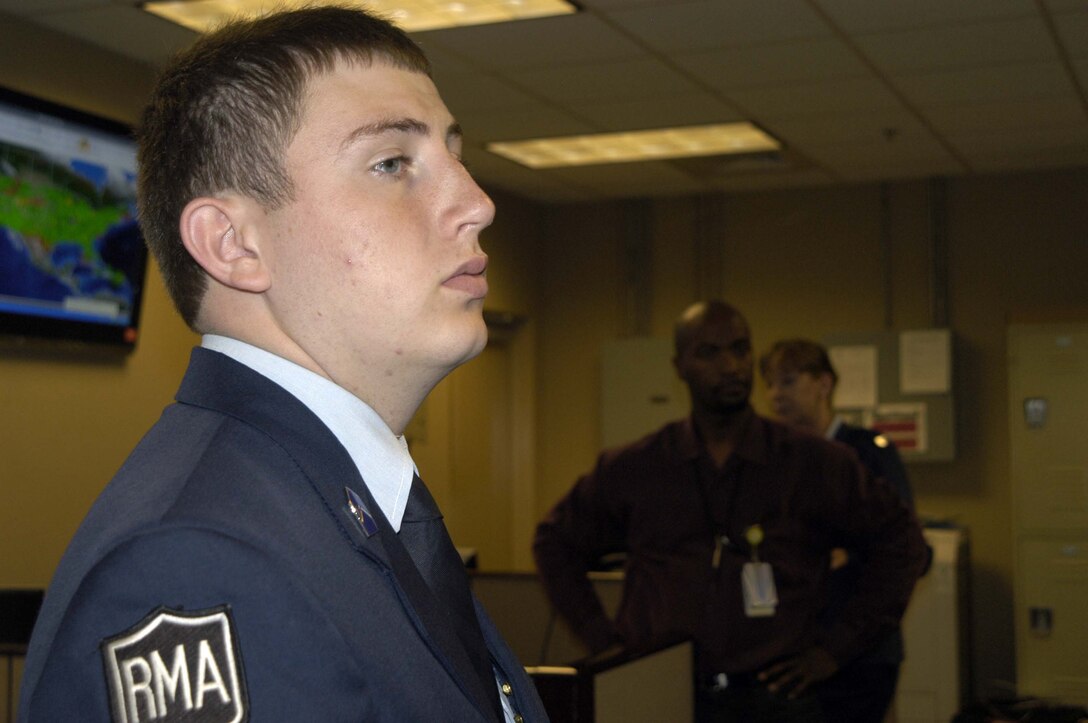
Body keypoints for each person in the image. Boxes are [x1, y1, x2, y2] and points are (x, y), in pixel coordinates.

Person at [18, 7, 547, 722]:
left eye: (456, 155)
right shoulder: (197, 562)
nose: (477, 202)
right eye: (392, 163)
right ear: (234, 243)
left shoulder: (332, 499)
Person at [533, 300, 926, 723]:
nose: (731, 366)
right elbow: (555, 542)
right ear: (679, 365)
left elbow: (902, 542)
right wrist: (602, 639)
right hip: (660, 691)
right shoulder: (638, 466)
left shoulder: (812, 462)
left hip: (777, 697)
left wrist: (835, 650)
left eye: (740, 350)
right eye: (710, 353)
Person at [760, 338, 918, 723]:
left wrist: (845, 553)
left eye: (788, 381)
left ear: (823, 384)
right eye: (769, 384)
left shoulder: (866, 453)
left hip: (858, 650)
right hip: (794, 646)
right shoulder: (774, 459)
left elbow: (909, 550)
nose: (774, 395)